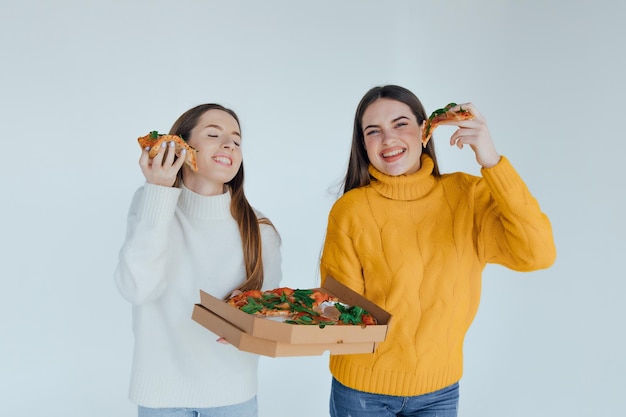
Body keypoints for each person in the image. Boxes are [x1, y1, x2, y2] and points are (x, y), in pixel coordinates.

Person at [319, 85, 556, 417]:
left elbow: (538, 252)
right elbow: (341, 314)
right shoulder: (350, 211)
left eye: (400, 124)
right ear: (363, 144)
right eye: (373, 131)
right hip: (362, 390)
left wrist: (490, 159)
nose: (388, 139)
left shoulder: (467, 197)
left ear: (425, 130)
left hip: (439, 391)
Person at [114, 103, 282, 417]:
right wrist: (159, 192)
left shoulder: (259, 229)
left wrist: (250, 319)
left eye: (236, 139)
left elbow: (271, 315)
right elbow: (138, 289)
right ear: (182, 147)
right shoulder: (151, 202)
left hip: (234, 396)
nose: (229, 144)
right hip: (161, 396)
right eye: (214, 134)